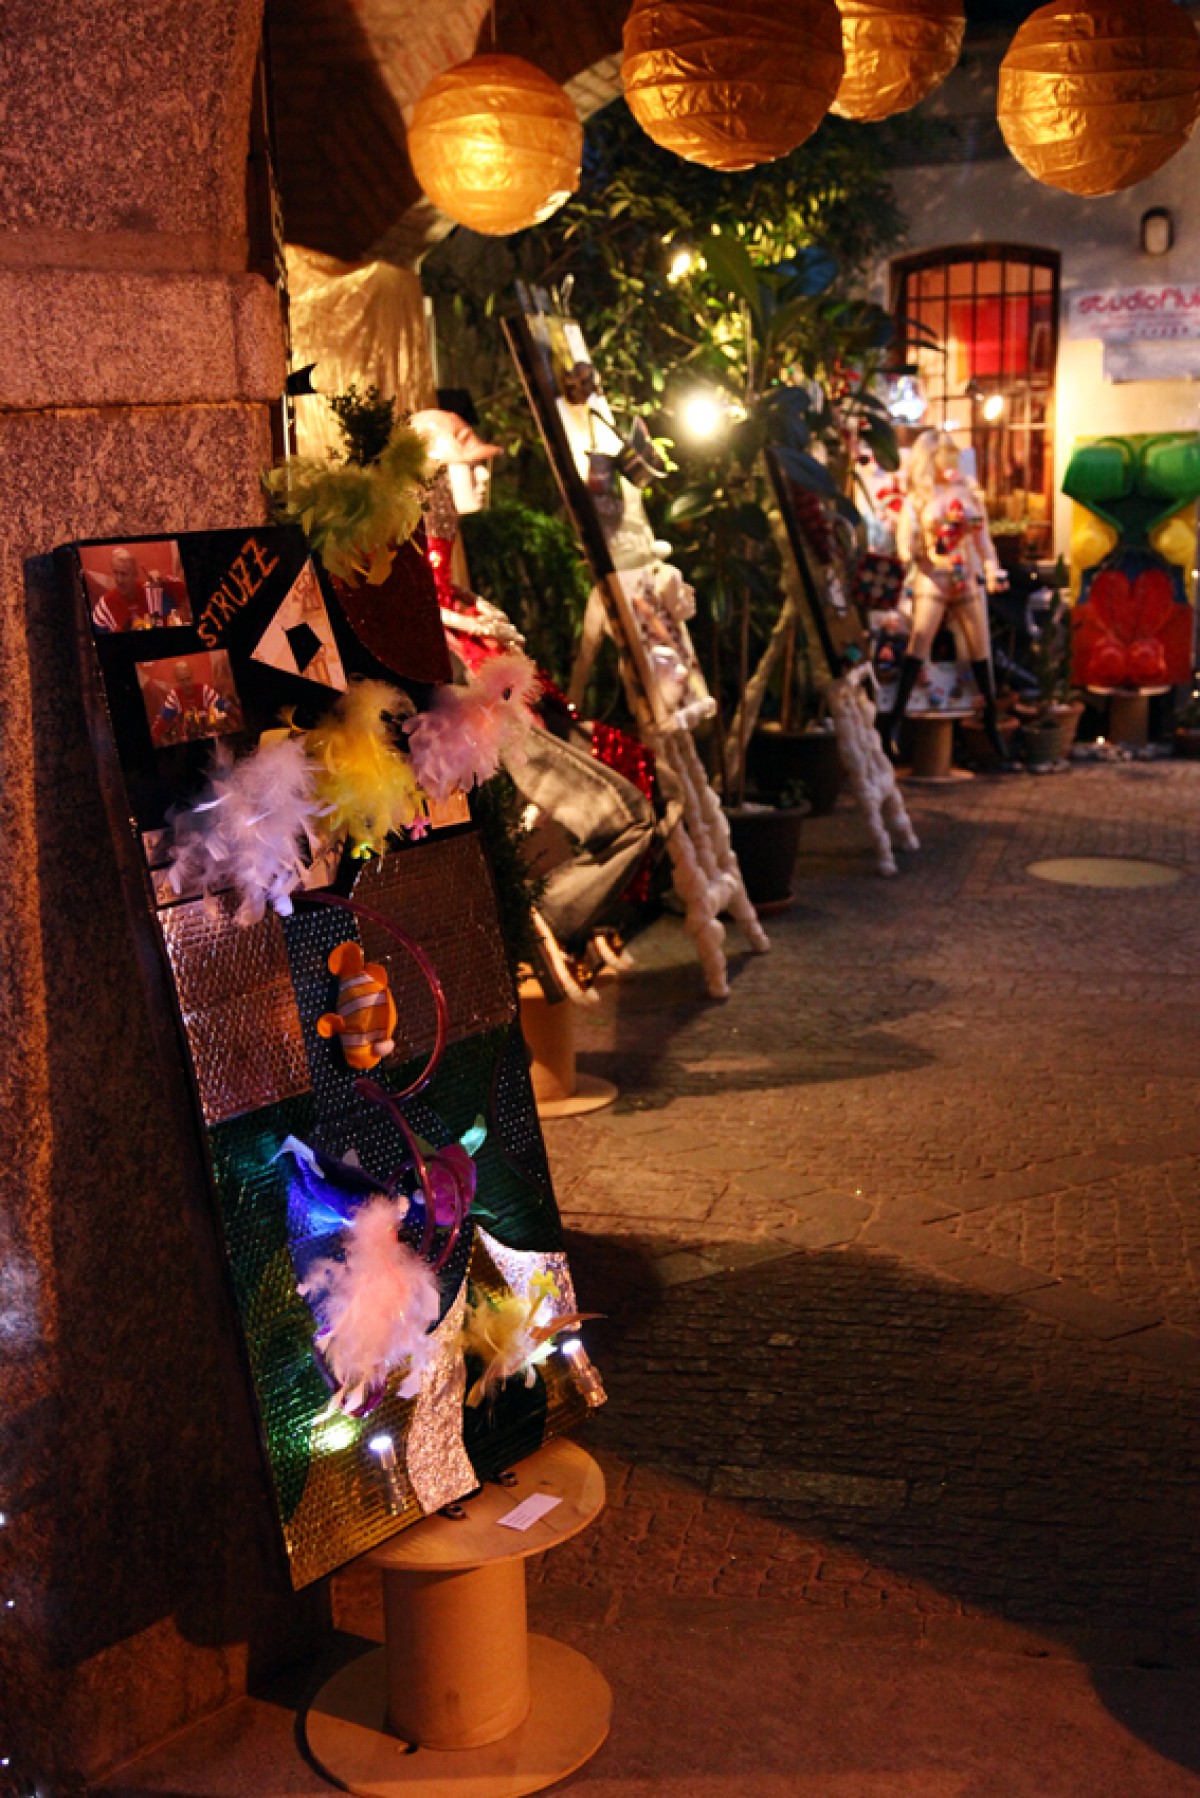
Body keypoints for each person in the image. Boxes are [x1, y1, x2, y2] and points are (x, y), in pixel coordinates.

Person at [883, 429, 1009, 761]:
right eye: (943, 457)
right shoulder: (918, 499)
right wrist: (913, 553)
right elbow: (905, 544)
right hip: (934, 574)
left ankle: (991, 720)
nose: (949, 464)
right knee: (919, 642)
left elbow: (984, 543)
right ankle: (895, 719)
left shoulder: (969, 495)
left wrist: (992, 569)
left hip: (964, 574)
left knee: (980, 646)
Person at [93, 546, 188, 631]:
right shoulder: (105, 605)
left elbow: (183, 590)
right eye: (115, 573)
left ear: (135, 574)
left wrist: (162, 581)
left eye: (124, 574)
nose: (119, 580)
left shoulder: (152, 593)